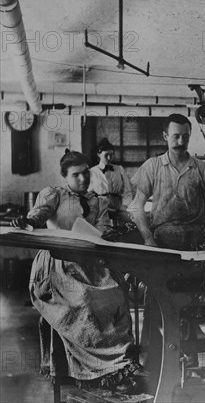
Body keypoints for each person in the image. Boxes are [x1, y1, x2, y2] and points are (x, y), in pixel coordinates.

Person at [11, 151, 142, 392]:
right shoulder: (54, 195)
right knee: (85, 301)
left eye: (85, 173)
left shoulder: (98, 201)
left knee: (115, 294)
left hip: (89, 262)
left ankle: (120, 364)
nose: (82, 179)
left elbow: (102, 231)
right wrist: (27, 221)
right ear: (65, 176)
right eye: (76, 175)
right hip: (57, 264)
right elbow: (38, 216)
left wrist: (108, 235)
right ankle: (98, 371)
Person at [129, 113, 205, 250]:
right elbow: (137, 205)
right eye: (176, 136)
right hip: (162, 240)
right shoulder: (152, 166)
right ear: (165, 136)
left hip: (195, 242)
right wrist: (148, 238)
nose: (181, 142)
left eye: (186, 137)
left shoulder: (200, 167)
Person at [88, 138, 134, 224]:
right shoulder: (92, 172)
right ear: (98, 154)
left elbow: (127, 191)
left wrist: (125, 205)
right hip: (100, 209)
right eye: (106, 155)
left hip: (119, 208)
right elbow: (89, 194)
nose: (109, 158)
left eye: (111, 155)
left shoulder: (119, 169)